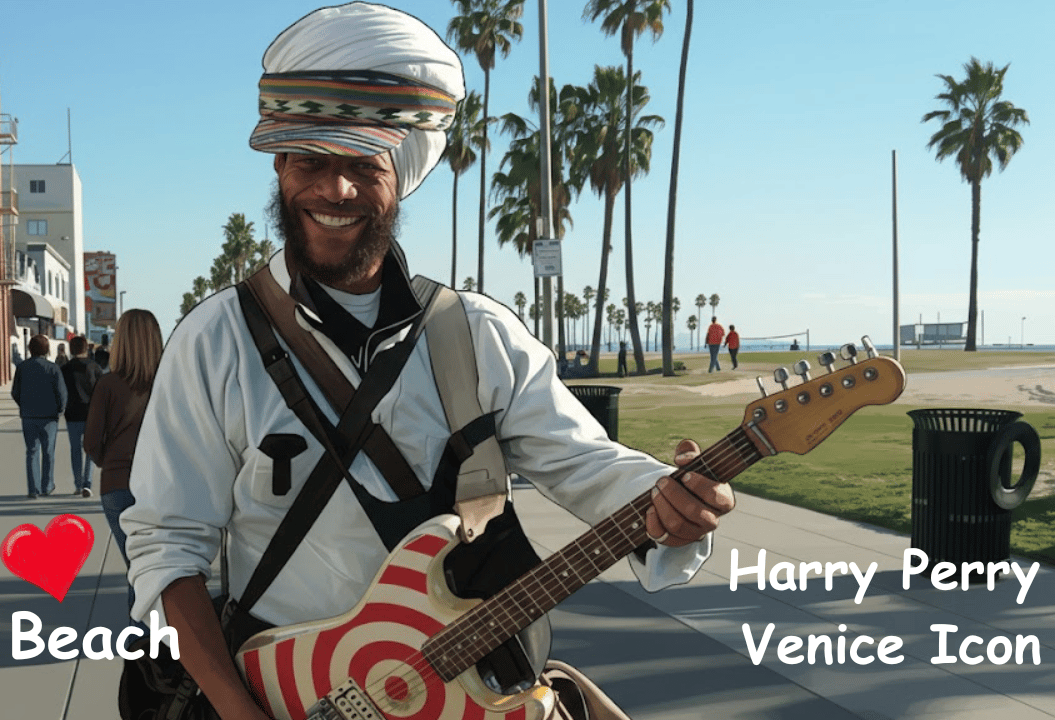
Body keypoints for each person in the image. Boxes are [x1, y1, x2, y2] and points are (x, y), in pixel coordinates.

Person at [118, 6, 734, 720]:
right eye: (311, 160)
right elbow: (170, 547)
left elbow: (588, 466)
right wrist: (238, 711)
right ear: (280, 166)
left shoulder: (477, 337)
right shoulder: (214, 341)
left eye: (362, 165)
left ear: (402, 174)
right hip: (283, 698)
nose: (335, 190)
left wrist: (672, 501)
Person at [85, 310, 163, 626]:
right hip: (162, 487)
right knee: (156, 569)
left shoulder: (108, 385)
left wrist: (112, 462)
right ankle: (155, 641)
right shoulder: (171, 381)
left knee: (136, 567)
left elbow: (91, 442)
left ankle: (139, 644)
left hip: (117, 485)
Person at [11, 335, 67, 499]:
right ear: (47, 349)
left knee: (32, 452)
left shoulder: (22, 367)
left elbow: (15, 391)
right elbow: (61, 392)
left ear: (30, 349)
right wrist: (60, 409)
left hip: (29, 416)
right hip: (49, 416)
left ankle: (33, 488)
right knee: (48, 452)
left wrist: (23, 405)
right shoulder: (53, 368)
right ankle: (47, 485)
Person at [60, 335, 103, 497]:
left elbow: (61, 392)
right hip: (91, 413)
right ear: (86, 348)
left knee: (75, 450)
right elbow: (100, 392)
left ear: (71, 349)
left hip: (72, 414)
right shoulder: (94, 367)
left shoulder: (65, 369)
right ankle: (87, 483)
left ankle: (77, 484)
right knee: (90, 449)